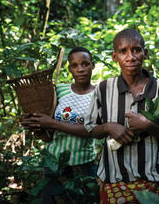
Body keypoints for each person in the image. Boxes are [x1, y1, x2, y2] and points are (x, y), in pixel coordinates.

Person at [85, 29, 159, 204]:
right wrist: (108, 127)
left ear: (145, 54)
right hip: (115, 181)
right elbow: (90, 128)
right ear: (115, 57)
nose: (130, 57)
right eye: (123, 51)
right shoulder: (104, 89)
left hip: (154, 180)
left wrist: (148, 125)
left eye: (136, 50)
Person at [22, 46, 101, 203]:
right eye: (74, 65)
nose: (80, 69)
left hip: (84, 165)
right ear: (69, 69)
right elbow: (47, 136)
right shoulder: (59, 91)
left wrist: (52, 123)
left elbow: (93, 130)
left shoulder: (100, 94)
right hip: (54, 164)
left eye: (85, 64)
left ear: (92, 65)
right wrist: (34, 124)